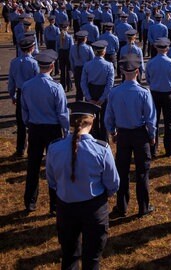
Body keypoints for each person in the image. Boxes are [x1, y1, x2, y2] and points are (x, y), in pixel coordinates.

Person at [46, 101, 119, 270]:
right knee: (92, 259)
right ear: (91, 122)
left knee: (69, 256)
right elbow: (113, 183)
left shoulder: (54, 148)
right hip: (94, 208)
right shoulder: (102, 149)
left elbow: (51, 180)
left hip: (66, 207)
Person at [105, 54, 156, 218]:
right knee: (142, 172)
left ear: (121, 71)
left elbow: (109, 116)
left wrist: (112, 132)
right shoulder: (143, 92)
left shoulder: (114, 92)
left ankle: (122, 206)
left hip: (123, 135)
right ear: (137, 71)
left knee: (122, 171)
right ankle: (143, 206)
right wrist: (152, 135)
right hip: (140, 134)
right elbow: (150, 117)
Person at [21, 49, 70, 214]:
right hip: (52, 129)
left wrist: (29, 124)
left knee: (33, 166)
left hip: (35, 128)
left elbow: (24, 111)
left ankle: (30, 202)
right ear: (52, 65)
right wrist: (66, 131)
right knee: (54, 167)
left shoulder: (27, 86)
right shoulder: (56, 87)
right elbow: (62, 112)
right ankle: (54, 204)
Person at [146, 38, 171, 158]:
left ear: (156, 48)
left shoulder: (150, 63)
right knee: (169, 123)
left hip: (154, 94)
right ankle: (169, 149)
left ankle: (153, 149)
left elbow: (148, 79)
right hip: (169, 94)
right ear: (167, 48)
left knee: (153, 122)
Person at [8, 37, 40, 158]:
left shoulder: (14, 62)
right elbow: (37, 80)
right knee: (33, 122)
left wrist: (13, 95)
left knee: (21, 123)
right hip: (32, 93)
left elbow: (11, 82)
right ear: (32, 48)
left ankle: (20, 149)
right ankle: (33, 149)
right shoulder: (34, 63)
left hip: (20, 92)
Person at [81, 40, 114, 142]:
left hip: (91, 91)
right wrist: (103, 97)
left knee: (91, 118)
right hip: (103, 91)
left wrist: (88, 97)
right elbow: (110, 84)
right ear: (104, 51)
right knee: (104, 117)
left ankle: (92, 138)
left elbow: (83, 82)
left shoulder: (87, 65)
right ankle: (104, 139)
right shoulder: (109, 65)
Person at [70, 30, 94, 101]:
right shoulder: (88, 48)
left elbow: (71, 60)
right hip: (86, 70)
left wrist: (73, 70)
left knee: (78, 89)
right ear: (85, 38)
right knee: (87, 89)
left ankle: (78, 106)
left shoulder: (72, 47)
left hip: (77, 69)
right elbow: (92, 60)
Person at [56, 22, 74, 92]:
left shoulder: (58, 36)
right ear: (67, 28)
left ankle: (62, 86)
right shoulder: (69, 37)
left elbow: (56, 47)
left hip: (61, 53)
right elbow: (71, 47)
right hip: (67, 53)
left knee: (62, 71)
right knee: (68, 70)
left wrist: (57, 55)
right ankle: (69, 86)